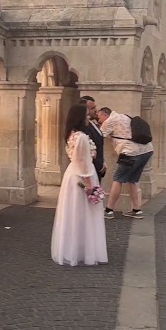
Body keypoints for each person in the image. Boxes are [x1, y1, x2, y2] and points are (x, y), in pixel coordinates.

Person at [51, 104, 108, 266]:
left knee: (74, 214)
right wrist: (90, 184)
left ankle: (73, 248)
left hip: (72, 174)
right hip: (83, 175)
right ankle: (85, 250)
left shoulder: (71, 135)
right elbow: (82, 161)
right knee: (85, 214)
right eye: (85, 115)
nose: (88, 118)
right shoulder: (81, 137)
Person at [97, 107, 154, 219]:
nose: (99, 121)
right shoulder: (124, 116)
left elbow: (98, 137)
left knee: (118, 179)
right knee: (132, 180)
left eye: (99, 118)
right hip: (147, 151)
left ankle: (108, 211)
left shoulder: (109, 121)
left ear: (105, 115)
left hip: (130, 153)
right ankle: (136, 210)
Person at [80, 95, 106, 180]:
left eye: (95, 107)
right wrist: (98, 165)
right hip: (91, 168)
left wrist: (103, 162)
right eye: (92, 108)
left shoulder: (92, 123)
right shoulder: (84, 127)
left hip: (99, 167)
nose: (96, 110)